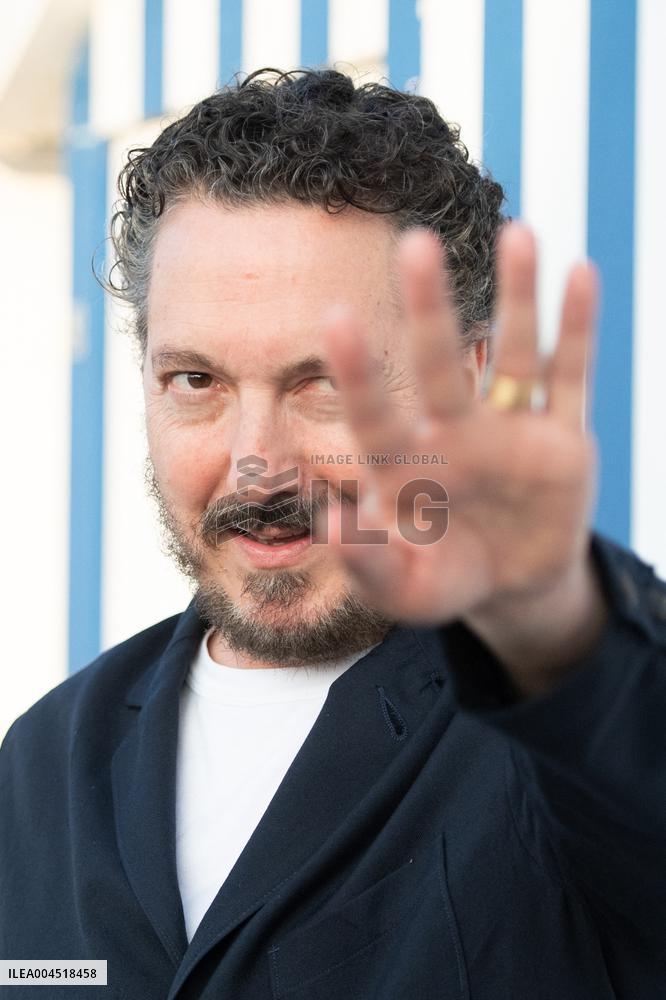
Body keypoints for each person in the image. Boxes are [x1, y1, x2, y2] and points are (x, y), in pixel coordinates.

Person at [1, 68, 664, 999]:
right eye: (197, 381)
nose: (257, 465)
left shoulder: (559, 745)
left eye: (325, 383)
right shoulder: (41, 768)